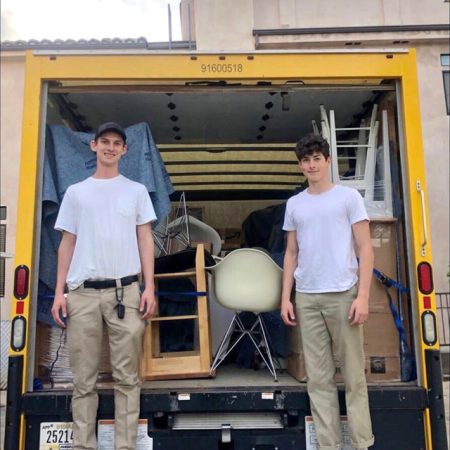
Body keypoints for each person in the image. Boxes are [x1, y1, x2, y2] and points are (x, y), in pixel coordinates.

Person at [51, 122, 156, 450]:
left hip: (126, 292)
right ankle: (84, 445)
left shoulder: (136, 191)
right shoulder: (76, 193)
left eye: (117, 143)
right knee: (83, 380)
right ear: (93, 146)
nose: (111, 147)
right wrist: (59, 293)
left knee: (127, 379)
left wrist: (149, 287)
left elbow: (145, 239)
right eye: (105, 142)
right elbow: (67, 243)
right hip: (82, 294)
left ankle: (125, 446)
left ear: (125, 150)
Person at [280, 134, 375, 450]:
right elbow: (291, 253)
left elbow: (365, 248)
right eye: (306, 161)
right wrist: (286, 298)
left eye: (316, 159)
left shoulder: (348, 198)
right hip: (307, 298)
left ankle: (362, 443)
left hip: (343, 295)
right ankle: (328, 446)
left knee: (354, 377)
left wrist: (363, 296)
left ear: (328, 161)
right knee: (318, 381)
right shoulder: (295, 204)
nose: (311, 165)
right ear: (300, 165)